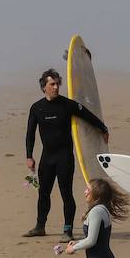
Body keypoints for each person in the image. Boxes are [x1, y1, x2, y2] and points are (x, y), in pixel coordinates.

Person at [24, 68, 109, 243]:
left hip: (64, 157)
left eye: (57, 84)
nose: (56, 87)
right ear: (44, 87)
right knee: (43, 193)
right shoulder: (36, 108)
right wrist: (29, 156)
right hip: (46, 158)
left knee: (66, 193)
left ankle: (68, 230)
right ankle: (40, 226)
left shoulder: (68, 105)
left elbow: (87, 115)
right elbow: (30, 134)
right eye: (52, 84)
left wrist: (103, 128)